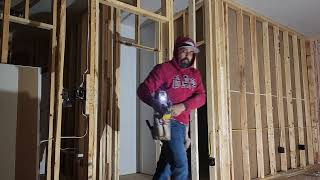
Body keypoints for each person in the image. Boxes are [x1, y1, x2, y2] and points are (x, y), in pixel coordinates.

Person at [137, 36, 206, 180]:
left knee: (166, 166)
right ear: (176, 51)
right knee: (180, 166)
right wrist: (155, 103)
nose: (187, 54)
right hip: (167, 120)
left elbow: (201, 97)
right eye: (183, 51)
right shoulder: (164, 69)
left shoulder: (195, 74)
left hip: (183, 124)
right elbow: (143, 90)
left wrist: (183, 107)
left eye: (191, 52)